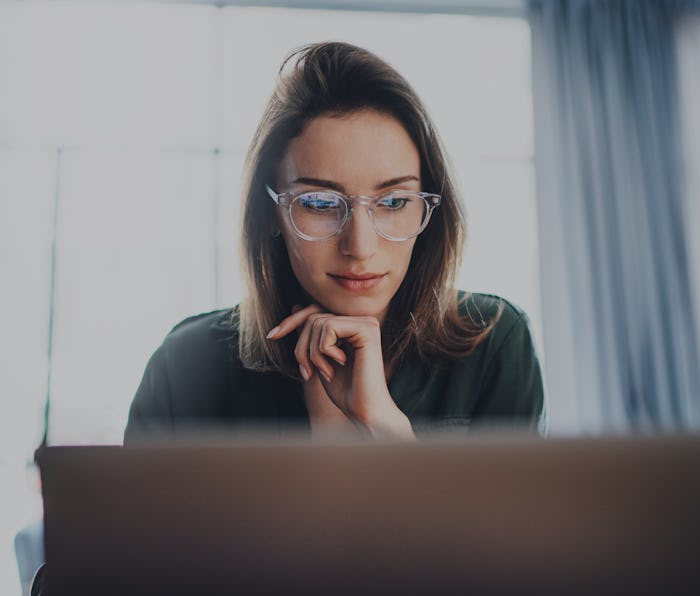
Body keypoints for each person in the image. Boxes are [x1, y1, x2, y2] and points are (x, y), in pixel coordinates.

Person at [124, 41, 544, 443]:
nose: (360, 247)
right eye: (320, 203)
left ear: (428, 210)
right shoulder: (186, 365)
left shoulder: (493, 341)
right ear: (270, 211)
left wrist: (384, 427)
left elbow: (506, 521)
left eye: (395, 201)